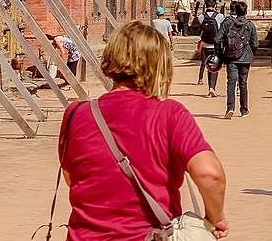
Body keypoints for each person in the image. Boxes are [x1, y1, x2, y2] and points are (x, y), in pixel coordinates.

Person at [58, 21, 229, 239]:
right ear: (160, 65)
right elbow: (209, 174)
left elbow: (72, 177)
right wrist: (216, 218)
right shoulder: (169, 114)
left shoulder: (76, 114)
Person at [215, 1, 258, 119]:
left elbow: (217, 39)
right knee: (243, 83)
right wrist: (250, 54)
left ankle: (230, 108)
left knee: (231, 83)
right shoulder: (250, 25)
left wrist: (221, 54)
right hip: (245, 58)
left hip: (231, 57)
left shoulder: (227, 23)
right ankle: (244, 110)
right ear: (245, 11)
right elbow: (255, 44)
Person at [197, 0, 224, 97]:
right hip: (216, 45)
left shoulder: (201, 17)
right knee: (215, 67)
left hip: (205, 45)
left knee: (208, 66)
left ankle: (210, 87)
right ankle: (212, 87)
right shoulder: (220, 16)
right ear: (215, 5)